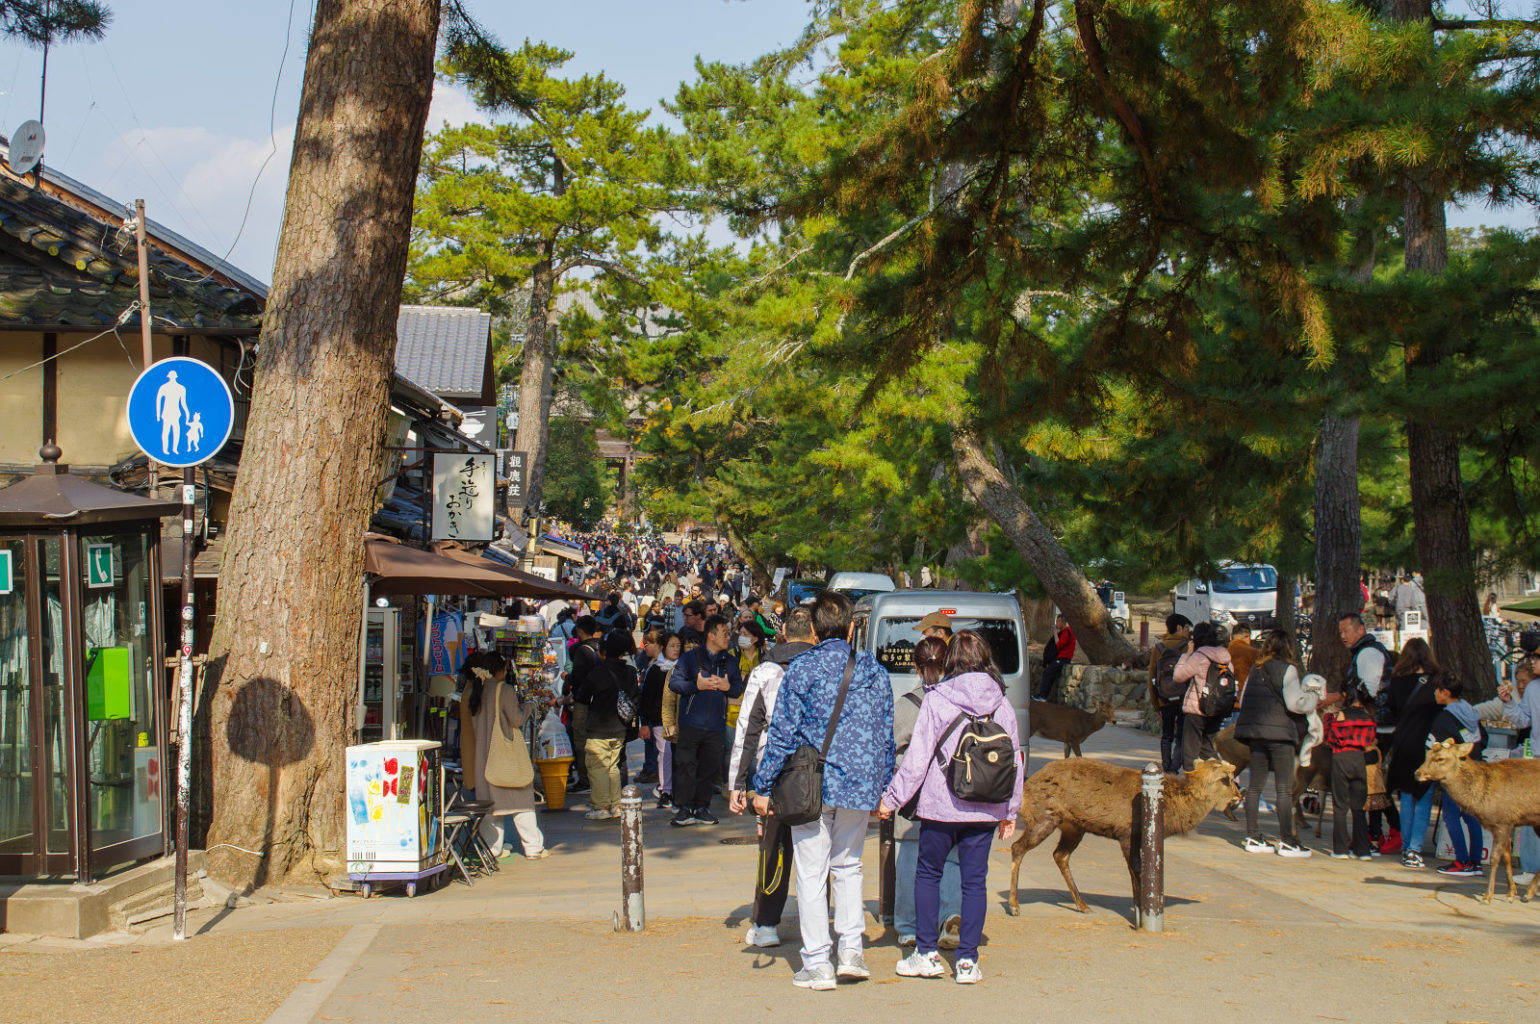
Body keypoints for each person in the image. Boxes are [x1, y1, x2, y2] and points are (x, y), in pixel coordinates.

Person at [752, 591, 895, 991]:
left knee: (812, 873)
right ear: (853, 628)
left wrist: (762, 785)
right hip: (858, 783)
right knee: (848, 867)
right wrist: (885, 785)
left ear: (813, 629)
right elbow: (885, 734)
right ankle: (852, 951)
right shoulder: (873, 670)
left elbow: (782, 733)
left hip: (811, 784)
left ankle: (818, 961)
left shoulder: (803, 668)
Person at [879, 631, 1022, 985]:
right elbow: (1014, 761)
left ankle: (926, 953)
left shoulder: (937, 699)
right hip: (985, 809)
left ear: (950, 661)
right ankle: (968, 961)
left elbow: (917, 759)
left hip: (941, 807)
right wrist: (1011, 811)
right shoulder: (1001, 702)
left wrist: (891, 798)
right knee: (975, 883)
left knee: (928, 874)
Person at [727, 605, 817, 949]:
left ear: (782, 634)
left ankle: (766, 924)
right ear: (814, 634)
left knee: (774, 847)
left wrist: (738, 783)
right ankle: (817, 925)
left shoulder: (765, 671)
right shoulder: (825, 666)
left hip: (775, 772)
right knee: (818, 849)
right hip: (819, 770)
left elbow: (747, 729)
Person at [891, 635, 964, 949]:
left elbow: (892, 749)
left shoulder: (908, 704)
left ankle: (908, 925)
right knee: (950, 858)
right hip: (953, 792)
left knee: (909, 856)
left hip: (914, 795)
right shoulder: (961, 702)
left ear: (917, 667)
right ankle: (949, 918)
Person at [1233, 629, 1316, 857]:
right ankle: (1287, 841)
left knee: (1255, 786)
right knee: (1283, 788)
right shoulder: (1288, 669)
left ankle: (1252, 836)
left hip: (1257, 734)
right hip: (1280, 736)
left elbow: (1242, 699)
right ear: (1288, 647)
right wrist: (1312, 698)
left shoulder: (1256, 669)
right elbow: (1295, 703)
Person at [462, 652, 548, 860]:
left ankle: (492, 848)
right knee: (521, 801)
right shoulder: (504, 690)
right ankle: (533, 847)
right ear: (500, 670)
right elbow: (516, 720)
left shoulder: (475, 691)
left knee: (491, 807)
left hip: (483, 758)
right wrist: (529, 707)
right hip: (505, 757)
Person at [668, 614, 745, 826]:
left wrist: (727, 687)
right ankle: (684, 808)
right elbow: (675, 684)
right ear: (711, 635)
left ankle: (702, 806)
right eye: (724, 633)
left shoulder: (729, 661)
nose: (728, 637)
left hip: (716, 725)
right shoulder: (690, 658)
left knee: (709, 768)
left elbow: (738, 688)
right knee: (685, 766)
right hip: (691, 722)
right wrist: (696, 686)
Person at [1384, 638, 1442, 866]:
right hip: (1428, 744)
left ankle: (1407, 846)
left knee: (1406, 797)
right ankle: (1415, 848)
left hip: (1403, 742)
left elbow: (1391, 710)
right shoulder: (1436, 681)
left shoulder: (1397, 681)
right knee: (1424, 797)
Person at [1429, 674, 1486, 876]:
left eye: (1437, 690)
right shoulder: (1470, 712)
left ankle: (1461, 861)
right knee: (1472, 816)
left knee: (1451, 816)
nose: (1435, 693)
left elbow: (1438, 748)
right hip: (1475, 769)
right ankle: (1475, 862)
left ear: (1445, 693)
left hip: (1455, 774)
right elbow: (1484, 739)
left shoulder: (1444, 718)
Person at [579, 630, 639, 821]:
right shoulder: (629, 672)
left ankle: (601, 806)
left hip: (598, 727)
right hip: (620, 727)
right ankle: (616, 805)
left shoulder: (598, 672)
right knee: (613, 766)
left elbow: (582, 696)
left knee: (598, 767)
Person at [1324, 683, 1377, 860]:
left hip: (1341, 757)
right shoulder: (1368, 717)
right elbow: (1370, 739)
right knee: (1359, 806)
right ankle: (1362, 850)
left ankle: (1340, 849)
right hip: (1359, 759)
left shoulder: (1340, 715)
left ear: (1346, 696)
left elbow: (1330, 738)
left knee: (1340, 805)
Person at [1175, 621, 1232, 772]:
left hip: (1196, 710)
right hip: (1217, 709)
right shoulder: (1226, 657)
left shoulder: (1199, 656)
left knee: (1190, 752)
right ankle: (1221, 777)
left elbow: (1178, 676)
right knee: (1207, 748)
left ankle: (1191, 782)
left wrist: (1186, 655)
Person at [562, 616, 602, 793]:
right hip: (599, 700)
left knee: (580, 740)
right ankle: (594, 776)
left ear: (579, 630)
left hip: (583, 701)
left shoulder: (581, 651)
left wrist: (567, 678)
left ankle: (585, 779)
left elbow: (577, 677)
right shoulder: (599, 647)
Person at [1149, 613, 1192, 773]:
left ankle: (1166, 768)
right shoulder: (1187, 647)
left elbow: (1151, 677)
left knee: (1166, 736)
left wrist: (1156, 705)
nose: (1188, 631)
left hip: (1164, 699)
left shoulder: (1158, 648)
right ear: (1179, 627)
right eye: (1187, 628)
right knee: (1181, 737)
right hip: (1183, 699)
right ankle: (1174, 769)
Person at [1036, 613, 1075, 701]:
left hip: (1063, 659)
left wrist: (1055, 634)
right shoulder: (1064, 632)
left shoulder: (1067, 632)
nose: (1056, 624)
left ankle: (1042, 696)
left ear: (1062, 622)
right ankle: (1042, 695)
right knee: (1048, 673)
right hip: (1059, 658)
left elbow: (1058, 645)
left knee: (1047, 672)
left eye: (1057, 622)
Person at [1228, 624, 1258, 698]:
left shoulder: (1225, 652)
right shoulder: (1253, 653)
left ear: (1231, 637)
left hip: (1227, 697)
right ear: (1248, 638)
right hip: (1247, 697)